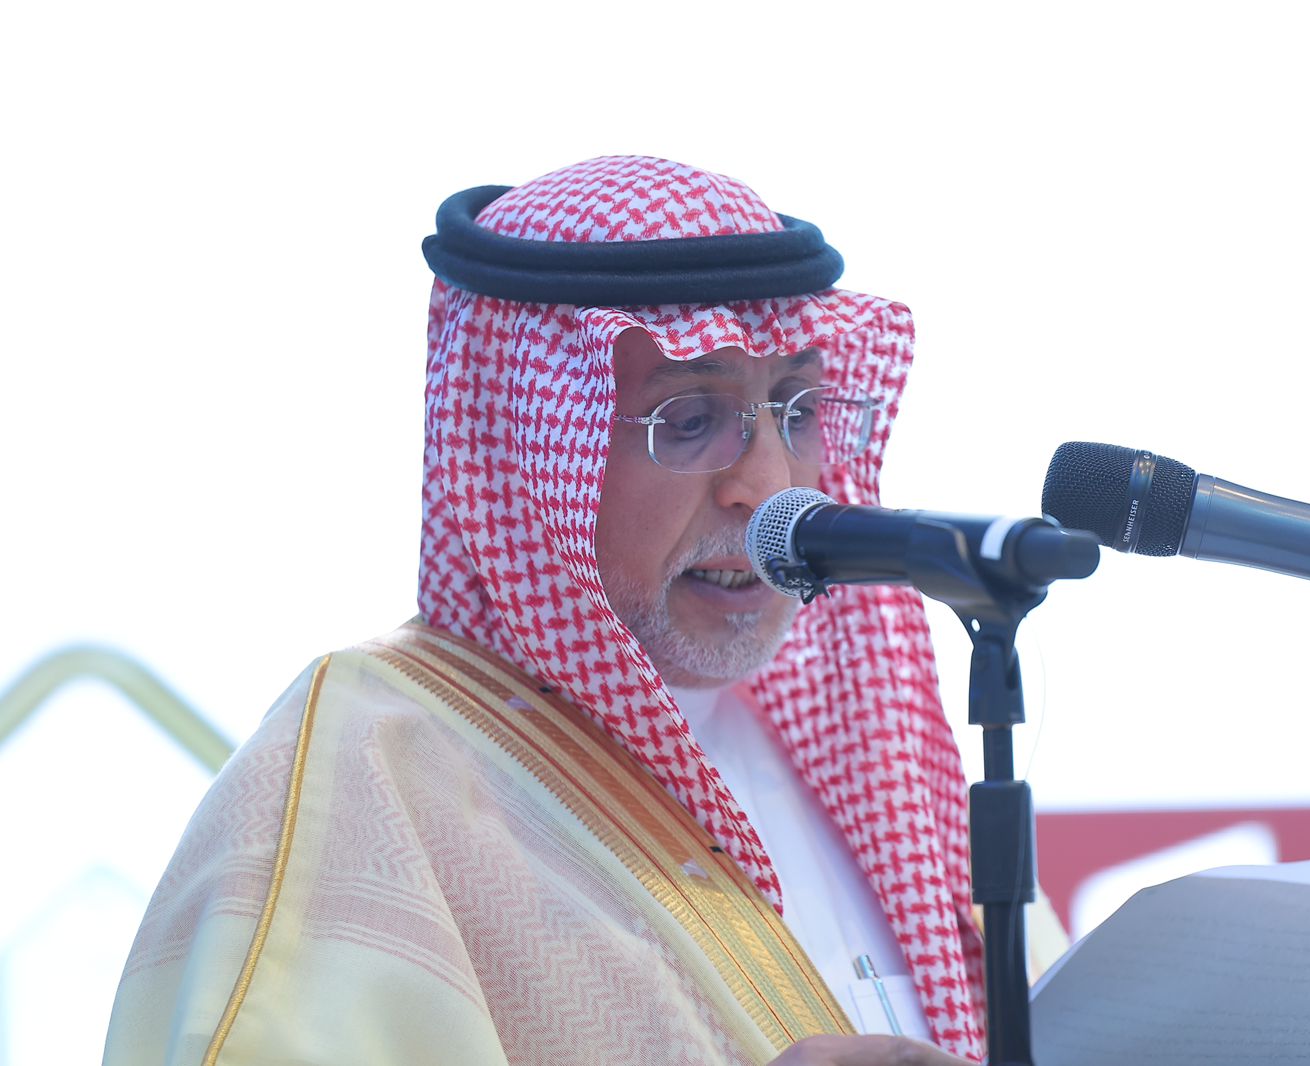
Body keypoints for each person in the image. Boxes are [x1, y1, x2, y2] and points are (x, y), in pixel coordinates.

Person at [104, 156, 1051, 1065]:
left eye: (797, 411)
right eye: (691, 420)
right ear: (526, 449)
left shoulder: (877, 775)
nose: (771, 487)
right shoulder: (365, 777)